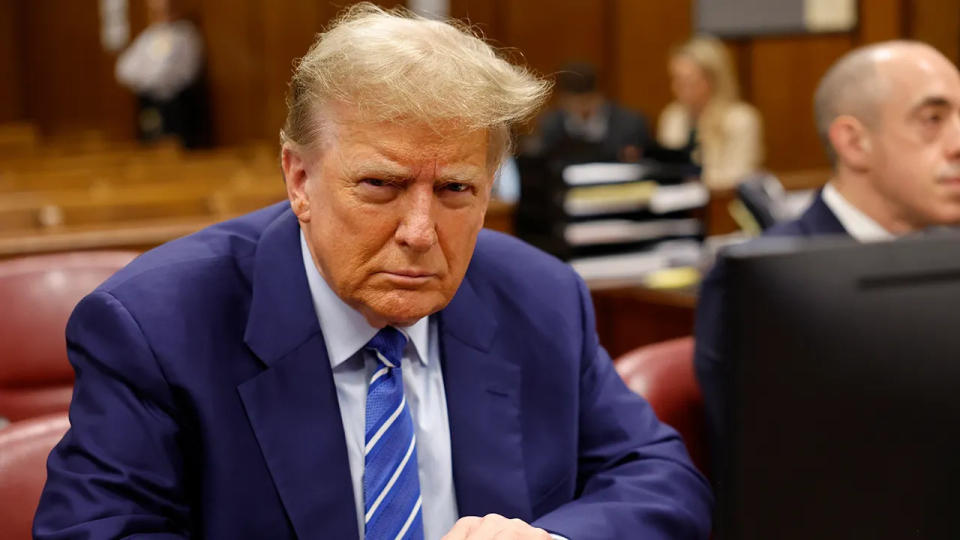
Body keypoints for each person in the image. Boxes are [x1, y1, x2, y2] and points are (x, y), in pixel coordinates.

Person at [35, 5, 712, 540]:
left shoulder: (539, 295)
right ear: (299, 179)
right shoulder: (157, 324)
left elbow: (660, 480)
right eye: (380, 185)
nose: (419, 233)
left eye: (455, 191)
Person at [694, 40, 960, 476]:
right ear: (854, 143)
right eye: (932, 119)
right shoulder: (765, 279)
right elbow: (787, 471)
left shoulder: (947, 253)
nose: (957, 142)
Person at [657, 36, 763, 189]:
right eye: (676, 79)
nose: (678, 88)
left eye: (688, 80)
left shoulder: (741, 119)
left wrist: (692, 179)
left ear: (712, 79)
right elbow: (666, 169)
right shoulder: (672, 116)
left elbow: (739, 177)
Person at [115, 0, 208, 148]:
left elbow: (184, 72)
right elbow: (125, 69)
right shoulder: (149, 37)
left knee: (177, 148)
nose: (162, 13)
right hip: (149, 101)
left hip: (177, 103)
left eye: (165, 8)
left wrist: (154, 79)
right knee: (151, 145)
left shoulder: (185, 34)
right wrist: (146, 82)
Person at [537, 62, 651, 163]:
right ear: (563, 100)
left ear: (601, 95)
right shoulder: (551, 125)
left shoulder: (631, 123)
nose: (582, 109)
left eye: (588, 101)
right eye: (575, 103)